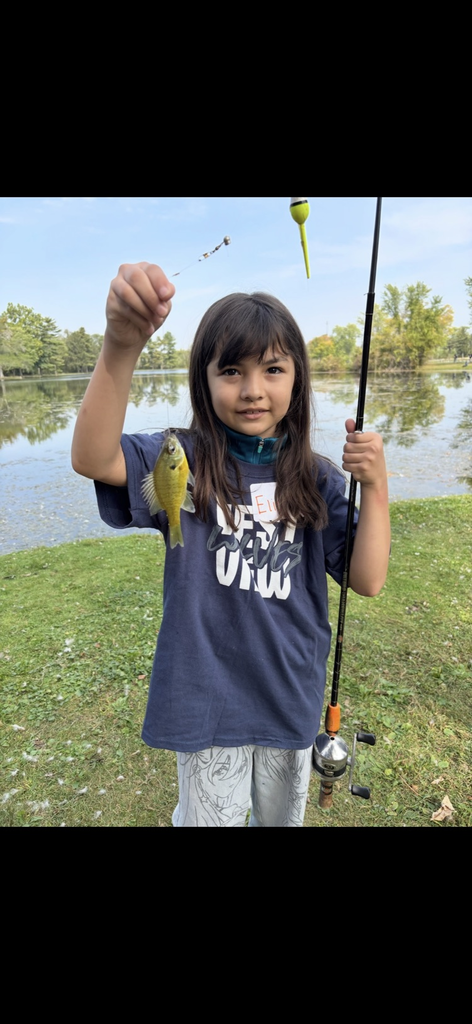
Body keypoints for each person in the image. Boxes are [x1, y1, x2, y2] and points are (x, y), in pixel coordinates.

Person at [72, 261, 391, 827]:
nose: (252, 390)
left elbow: (367, 580)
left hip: (288, 700)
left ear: (297, 380)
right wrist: (121, 345)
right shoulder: (184, 456)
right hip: (206, 703)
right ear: (204, 380)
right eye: (231, 371)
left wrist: (378, 487)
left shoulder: (317, 479)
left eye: (272, 369)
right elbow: (94, 458)